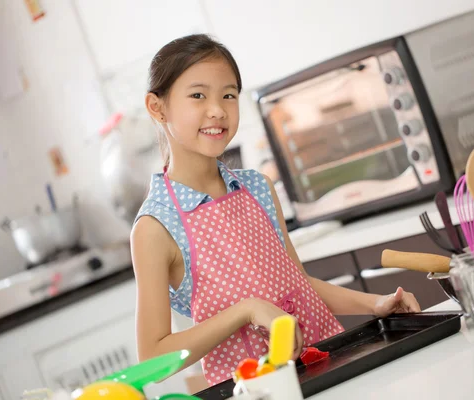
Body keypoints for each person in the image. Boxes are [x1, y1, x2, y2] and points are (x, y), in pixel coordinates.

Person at [131, 34, 421, 387]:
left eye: (228, 94)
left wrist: (374, 304)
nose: (218, 110)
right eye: (198, 95)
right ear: (157, 107)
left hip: (328, 366)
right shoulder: (155, 226)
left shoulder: (256, 188)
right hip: (258, 390)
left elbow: (298, 284)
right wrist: (246, 311)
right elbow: (152, 358)